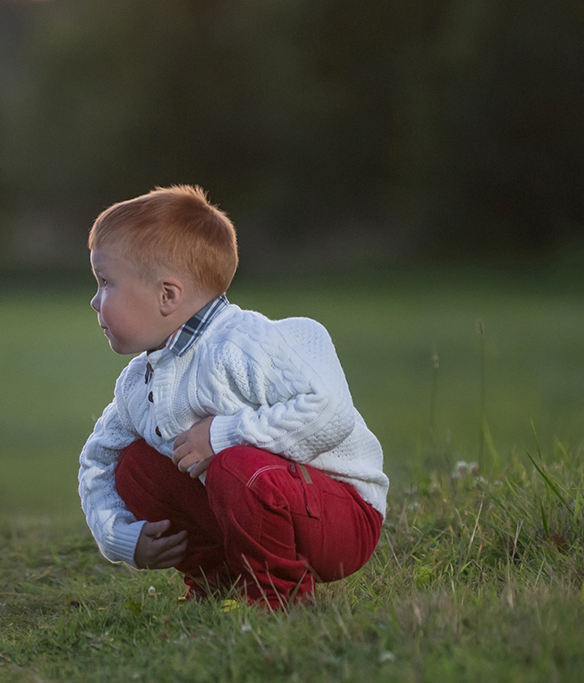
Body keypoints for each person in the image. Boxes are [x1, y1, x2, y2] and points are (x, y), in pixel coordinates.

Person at [78, 186, 388, 609]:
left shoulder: (245, 347)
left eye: (105, 283)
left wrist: (223, 434)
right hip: (248, 505)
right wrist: (121, 537)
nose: (94, 301)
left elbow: (330, 411)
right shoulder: (140, 382)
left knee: (235, 464)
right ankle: (216, 585)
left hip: (340, 514)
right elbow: (99, 460)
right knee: (134, 464)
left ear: (168, 295)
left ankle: (279, 600)